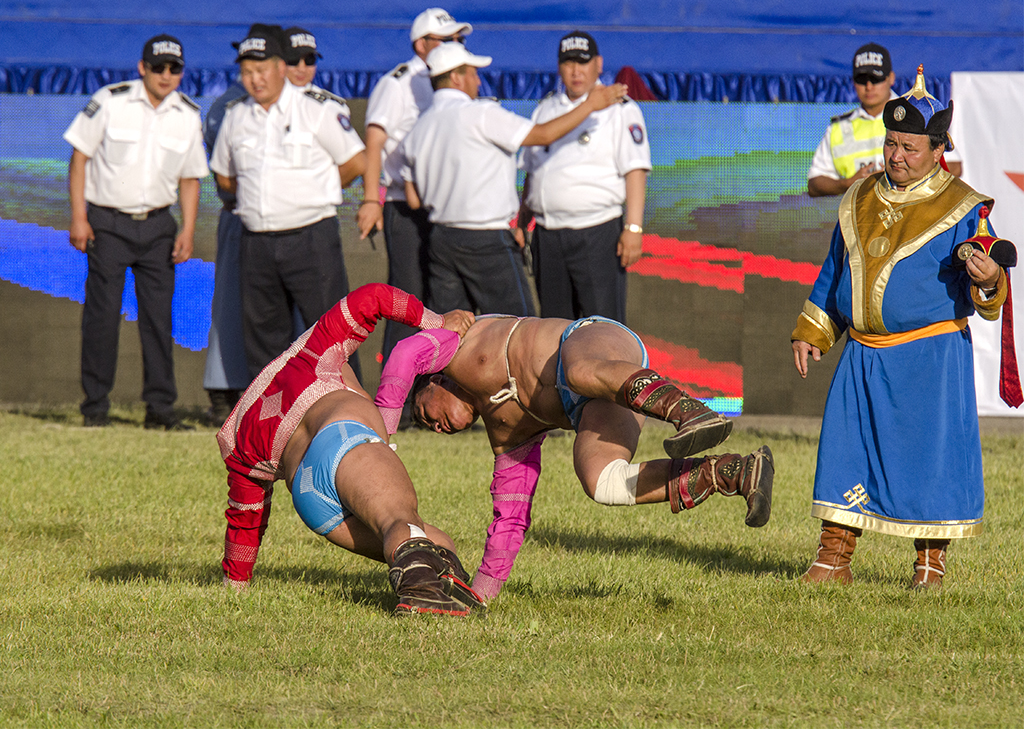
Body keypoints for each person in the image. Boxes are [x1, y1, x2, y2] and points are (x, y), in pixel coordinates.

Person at [374, 314, 772, 601]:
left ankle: (689, 411)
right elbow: (511, 516)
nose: (432, 425)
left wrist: (383, 436)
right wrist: (481, 594)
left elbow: (404, 356)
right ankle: (732, 473)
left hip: (591, 341)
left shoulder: (460, 341)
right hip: (594, 404)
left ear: (435, 380)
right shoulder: (505, 434)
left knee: (579, 370)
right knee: (602, 482)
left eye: (423, 412)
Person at [791, 66, 1007, 589]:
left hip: (930, 358)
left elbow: (989, 291)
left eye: (910, 147)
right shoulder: (858, 197)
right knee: (847, 449)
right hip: (863, 354)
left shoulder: (964, 207)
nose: (896, 156)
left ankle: (929, 566)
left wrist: (989, 276)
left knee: (929, 459)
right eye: (891, 144)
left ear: (938, 150)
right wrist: (812, 329)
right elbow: (835, 271)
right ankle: (833, 559)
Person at [218, 282, 485, 616]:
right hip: (342, 440)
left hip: (313, 503)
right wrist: (435, 320)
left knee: (435, 543)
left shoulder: (238, 435)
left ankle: (443, 588)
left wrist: (235, 589)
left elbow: (245, 521)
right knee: (398, 520)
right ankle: (420, 594)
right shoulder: (312, 351)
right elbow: (373, 296)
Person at [398, 42, 629, 318]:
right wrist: (590, 105)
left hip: (441, 239)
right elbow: (542, 135)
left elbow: (413, 198)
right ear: (456, 77)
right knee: (520, 332)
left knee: (452, 335)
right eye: (473, 73)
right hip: (486, 239)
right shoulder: (480, 114)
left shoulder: (419, 128)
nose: (477, 80)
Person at [64, 34, 208, 430]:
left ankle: (160, 411)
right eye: (158, 67)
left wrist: (188, 230)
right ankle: (95, 408)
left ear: (181, 72)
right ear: (142, 67)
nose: (166, 75)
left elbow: (191, 179)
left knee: (160, 320)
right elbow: (79, 157)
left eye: (174, 69)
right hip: (107, 223)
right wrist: (79, 216)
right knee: (102, 317)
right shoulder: (110, 101)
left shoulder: (187, 114)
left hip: (160, 226)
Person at [209, 24, 367, 381]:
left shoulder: (316, 109)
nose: (254, 79)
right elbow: (223, 176)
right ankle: (272, 430)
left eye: (261, 70)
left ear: (281, 67)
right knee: (264, 343)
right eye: (247, 72)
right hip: (258, 242)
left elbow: (357, 162)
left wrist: (315, 188)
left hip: (310, 238)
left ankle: (350, 420)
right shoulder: (236, 116)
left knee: (332, 336)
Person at [357, 8, 473, 388]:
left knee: (444, 299)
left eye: (459, 40)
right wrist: (371, 199)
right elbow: (374, 142)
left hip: (445, 208)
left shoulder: (452, 82)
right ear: (421, 44)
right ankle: (399, 397)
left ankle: (439, 391)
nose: (456, 45)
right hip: (404, 207)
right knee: (407, 302)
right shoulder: (399, 83)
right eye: (446, 39)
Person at [517, 31, 651, 323]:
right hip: (547, 235)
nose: (576, 71)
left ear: (599, 64)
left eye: (583, 62)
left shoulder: (620, 108)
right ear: (559, 67)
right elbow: (532, 172)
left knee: (603, 331)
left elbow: (635, 170)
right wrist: (521, 221)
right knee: (553, 331)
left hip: (596, 232)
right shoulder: (546, 110)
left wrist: (634, 228)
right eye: (568, 63)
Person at [201, 72, 251, 426]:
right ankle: (223, 391)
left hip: (297, 223)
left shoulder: (308, 103)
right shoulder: (230, 107)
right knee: (230, 304)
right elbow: (222, 168)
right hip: (242, 213)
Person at [807, 43, 898, 197]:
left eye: (875, 78)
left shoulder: (914, 116)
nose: (869, 86)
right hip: (859, 218)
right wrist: (848, 183)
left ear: (891, 78)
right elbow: (814, 184)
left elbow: (951, 167)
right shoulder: (839, 127)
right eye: (862, 80)